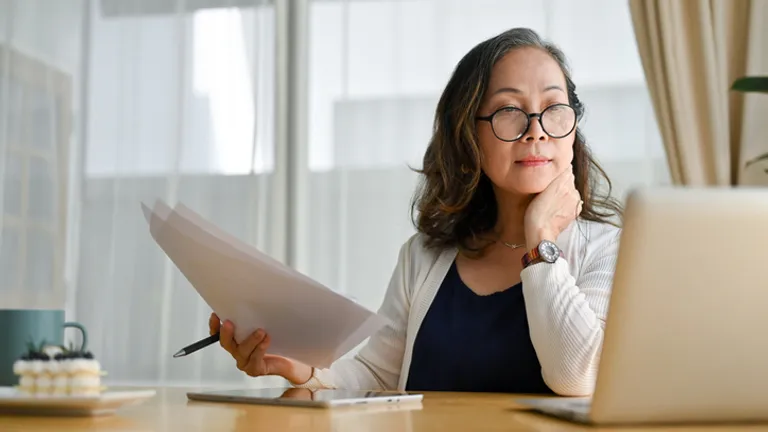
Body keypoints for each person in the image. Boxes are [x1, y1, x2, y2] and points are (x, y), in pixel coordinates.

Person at [209, 27, 623, 397]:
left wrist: (541, 241)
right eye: (509, 111)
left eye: (554, 108)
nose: (536, 129)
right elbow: (376, 374)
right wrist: (303, 370)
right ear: (469, 135)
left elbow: (577, 377)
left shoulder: (608, 249)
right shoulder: (423, 256)